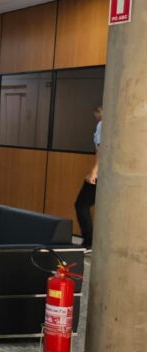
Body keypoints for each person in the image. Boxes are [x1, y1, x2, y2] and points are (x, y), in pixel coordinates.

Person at [74, 105, 103, 252]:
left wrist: (94, 172)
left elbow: (102, 150)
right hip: (108, 174)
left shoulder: (102, 124)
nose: (95, 116)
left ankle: (89, 241)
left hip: (100, 174)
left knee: (81, 205)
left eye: (97, 112)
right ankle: (90, 241)